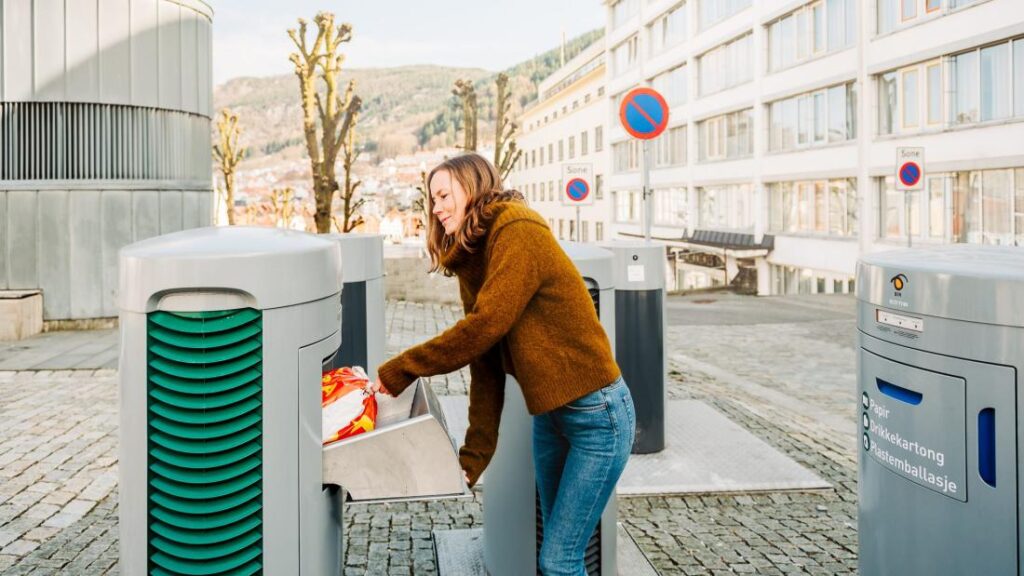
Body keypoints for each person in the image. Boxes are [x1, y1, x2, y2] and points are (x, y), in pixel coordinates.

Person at [371, 152, 635, 576]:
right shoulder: (472, 255)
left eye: (444, 196)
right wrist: (472, 457)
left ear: (472, 186)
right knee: (556, 552)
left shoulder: (517, 227)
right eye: (432, 199)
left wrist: (402, 368)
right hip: (551, 417)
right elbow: (485, 361)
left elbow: (485, 325)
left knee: (559, 560)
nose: (436, 208)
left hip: (598, 416)